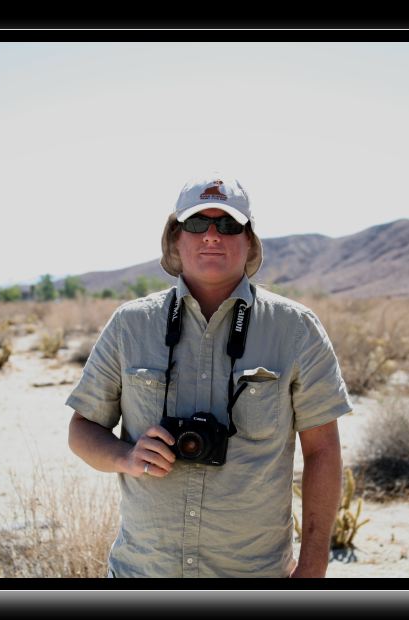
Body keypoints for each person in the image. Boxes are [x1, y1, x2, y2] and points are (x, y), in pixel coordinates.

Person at [66, 172, 353, 578]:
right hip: (144, 571)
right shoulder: (131, 325)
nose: (212, 236)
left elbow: (323, 452)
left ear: (250, 241)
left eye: (229, 225)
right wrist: (126, 456)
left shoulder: (295, 329)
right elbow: (81, 429)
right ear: (175, 239)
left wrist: (312, 568)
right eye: (198, 223)